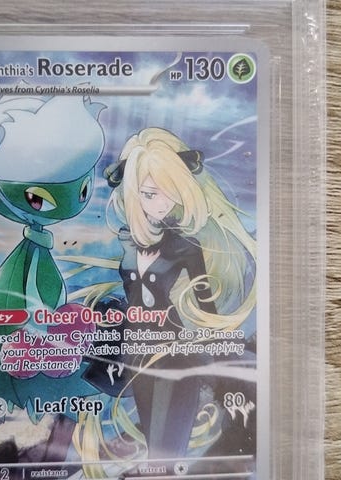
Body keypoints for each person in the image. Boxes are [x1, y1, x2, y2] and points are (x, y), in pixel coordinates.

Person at [104, 127, 256, 459]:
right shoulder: (127, 243)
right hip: (136, 352)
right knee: (154, 448)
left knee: (167, 451)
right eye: (149, 194)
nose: (161, 203)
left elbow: (206, 306)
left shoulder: (186, 246)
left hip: (175, 353)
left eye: (169, 193)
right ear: (133, 194)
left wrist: (222, 348)